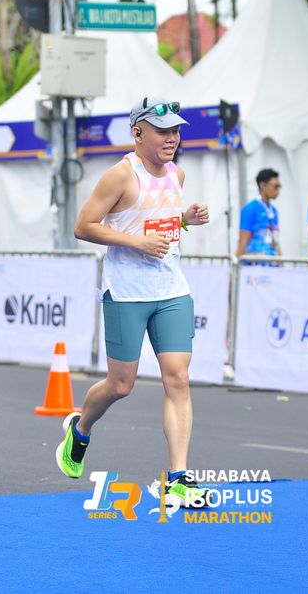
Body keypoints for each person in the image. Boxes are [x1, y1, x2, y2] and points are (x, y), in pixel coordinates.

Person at [55, 95, 210, 506]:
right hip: (127, 294)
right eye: (162, 131)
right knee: (120, 385)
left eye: (176, 131)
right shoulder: (120, 176)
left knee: (178, 379)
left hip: (172, 291)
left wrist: (186, 220)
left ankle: (178, 477)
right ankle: (80, 430)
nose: (172, 138)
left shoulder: (177, 174)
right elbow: (83, 226)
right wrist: (137, 242)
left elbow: (158, 221)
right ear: (138, 133)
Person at [236, 168, 282, 259]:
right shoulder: (250, 209)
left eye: (279, 186)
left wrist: (280, 260)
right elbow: (242, 243)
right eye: (275, 186)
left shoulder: (274, 211)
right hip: (255, 264)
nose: (278, 190)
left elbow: (276, 240)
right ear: (263, 185)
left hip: (272, 262)